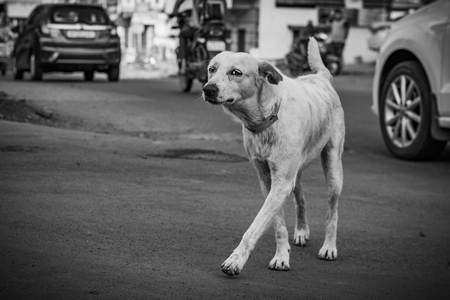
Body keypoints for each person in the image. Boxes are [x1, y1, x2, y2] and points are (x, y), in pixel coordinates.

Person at [169, 0, 200, 74]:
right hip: (204, 28)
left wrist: (172, 15)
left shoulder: (182, 3)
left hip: (194, 27)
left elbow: (175, 13)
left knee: (182, 35)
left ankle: (183, 64)